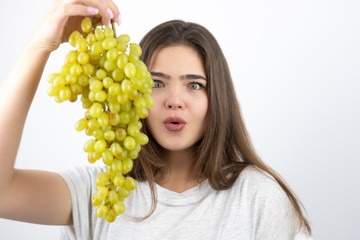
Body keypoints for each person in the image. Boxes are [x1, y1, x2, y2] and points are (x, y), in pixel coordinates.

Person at [0, 0, 312, 239]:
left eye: (194, 85)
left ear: (217, 98)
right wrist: (39, 46)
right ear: (131, 92)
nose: (175, 100)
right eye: (157, 83)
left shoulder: (258, 197)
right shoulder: (101, 192)